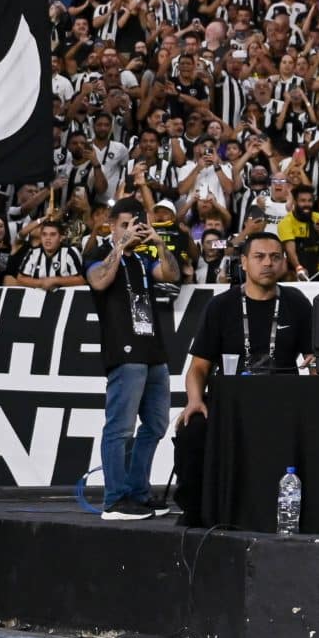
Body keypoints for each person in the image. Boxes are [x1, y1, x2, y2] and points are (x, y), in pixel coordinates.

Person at [174, 231, 315, 526]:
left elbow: (314, 361)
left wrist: (318, 371)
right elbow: (198, 367)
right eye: (259, 257)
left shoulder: (297, 302)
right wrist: (195, 400)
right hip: (231, 403)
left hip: (284, 401)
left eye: (275, 257)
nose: (268, 264)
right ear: (244, 262)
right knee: (191, 429)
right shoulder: (221, 306)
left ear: (284, 262)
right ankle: (194, 512)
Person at [85, 197, 181, 520]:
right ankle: (114, 499)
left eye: (136, 225)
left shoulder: (143, 258)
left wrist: (158, 243)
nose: (130, 231)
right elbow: (99, 280)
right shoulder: (97, 254)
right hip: (124, 352)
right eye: (124, 225)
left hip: (153, 351)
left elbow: (171, 274)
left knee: (156, 424)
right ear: (111, 225)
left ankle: (138, 492)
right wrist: (120, 246)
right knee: (120, 428)